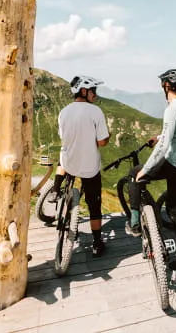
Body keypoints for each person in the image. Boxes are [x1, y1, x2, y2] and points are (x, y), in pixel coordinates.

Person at [128, 69, 176, 268]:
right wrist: (159, 136)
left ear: (166, 85)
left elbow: (164, 146)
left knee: (135, 173)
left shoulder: (171, 109)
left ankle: (134, 222)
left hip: (175, 162)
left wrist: (146, 169)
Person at [51, 75, 110, 257]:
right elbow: (101, 142)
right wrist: (105, 137)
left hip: (69, 163)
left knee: (63, 158)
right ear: (84, 91)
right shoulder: (95, 112)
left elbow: (64, 137)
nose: (95, 94)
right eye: (93, 90)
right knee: (94, 205)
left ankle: (56, 190)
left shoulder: (64, 112)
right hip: (89, 167)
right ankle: (97, 242)